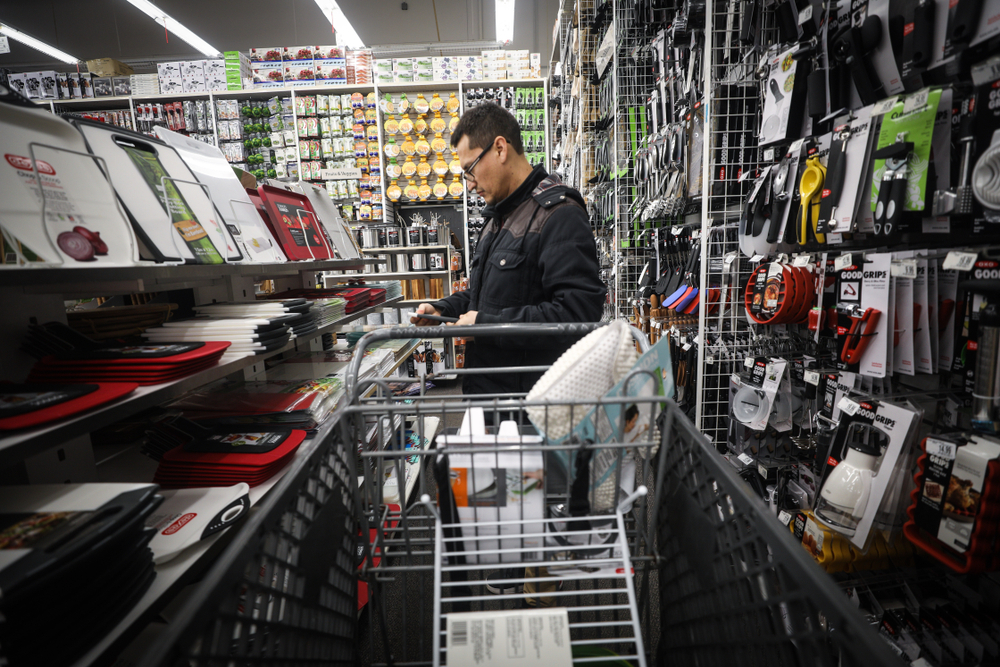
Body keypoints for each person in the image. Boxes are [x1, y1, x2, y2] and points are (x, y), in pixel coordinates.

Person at [410, 102, 606, 396]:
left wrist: (487, 326)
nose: (471, 184)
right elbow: (487, 295)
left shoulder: (558, 215)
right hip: (491, 398)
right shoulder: (497, 219)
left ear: (500, 148)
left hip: (533, 409)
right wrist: (444, 309)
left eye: (470, 170)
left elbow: (576, 313)